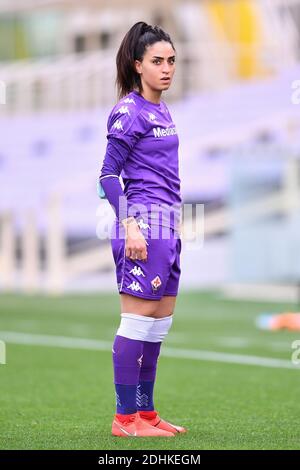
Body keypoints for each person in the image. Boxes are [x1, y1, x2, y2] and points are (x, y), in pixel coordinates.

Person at [98, 21, 186, 438]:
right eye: (157, 61)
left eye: (171, 61)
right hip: (143, 226)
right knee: (136, 322)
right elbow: (108, 176)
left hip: (169, 227)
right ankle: (123, 419)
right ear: (137, 65)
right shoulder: (129, 111)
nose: (166, 68)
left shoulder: (162, 109)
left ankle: (146, 414)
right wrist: (130, 224)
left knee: (159, 323)